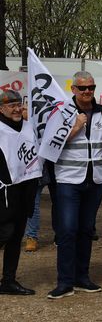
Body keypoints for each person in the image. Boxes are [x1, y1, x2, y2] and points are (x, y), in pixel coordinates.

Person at [48, 71, 102, 299]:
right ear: (73, 89)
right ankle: (64, 282)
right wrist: (75, 127)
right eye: (83, 88)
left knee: (87, 230)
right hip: (68, 179)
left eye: (91, 87)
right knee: (67, 230)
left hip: (94, 180)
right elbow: (49, 144)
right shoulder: (60, 112)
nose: (88, 92)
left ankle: (82, 278)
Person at [0, 90, 39, 295]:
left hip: (25, 189)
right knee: (4, 233)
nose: (17, 109)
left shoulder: (27, 126)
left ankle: (8, 280)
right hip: (3, 192)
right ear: (1, 108)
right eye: (11, 105)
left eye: (18, 105)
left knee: (16, 237)